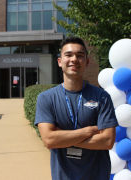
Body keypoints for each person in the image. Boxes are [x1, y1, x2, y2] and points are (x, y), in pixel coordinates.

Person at [34, 37, 118, 180]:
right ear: (60, 62)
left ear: (87, 62)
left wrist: (61, 138)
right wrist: (87, 131)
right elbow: (48, 140)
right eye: (68, 55)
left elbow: (107, 141)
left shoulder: (102, 97)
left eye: (80, 56)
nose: (74, 59)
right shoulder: (46, 98)